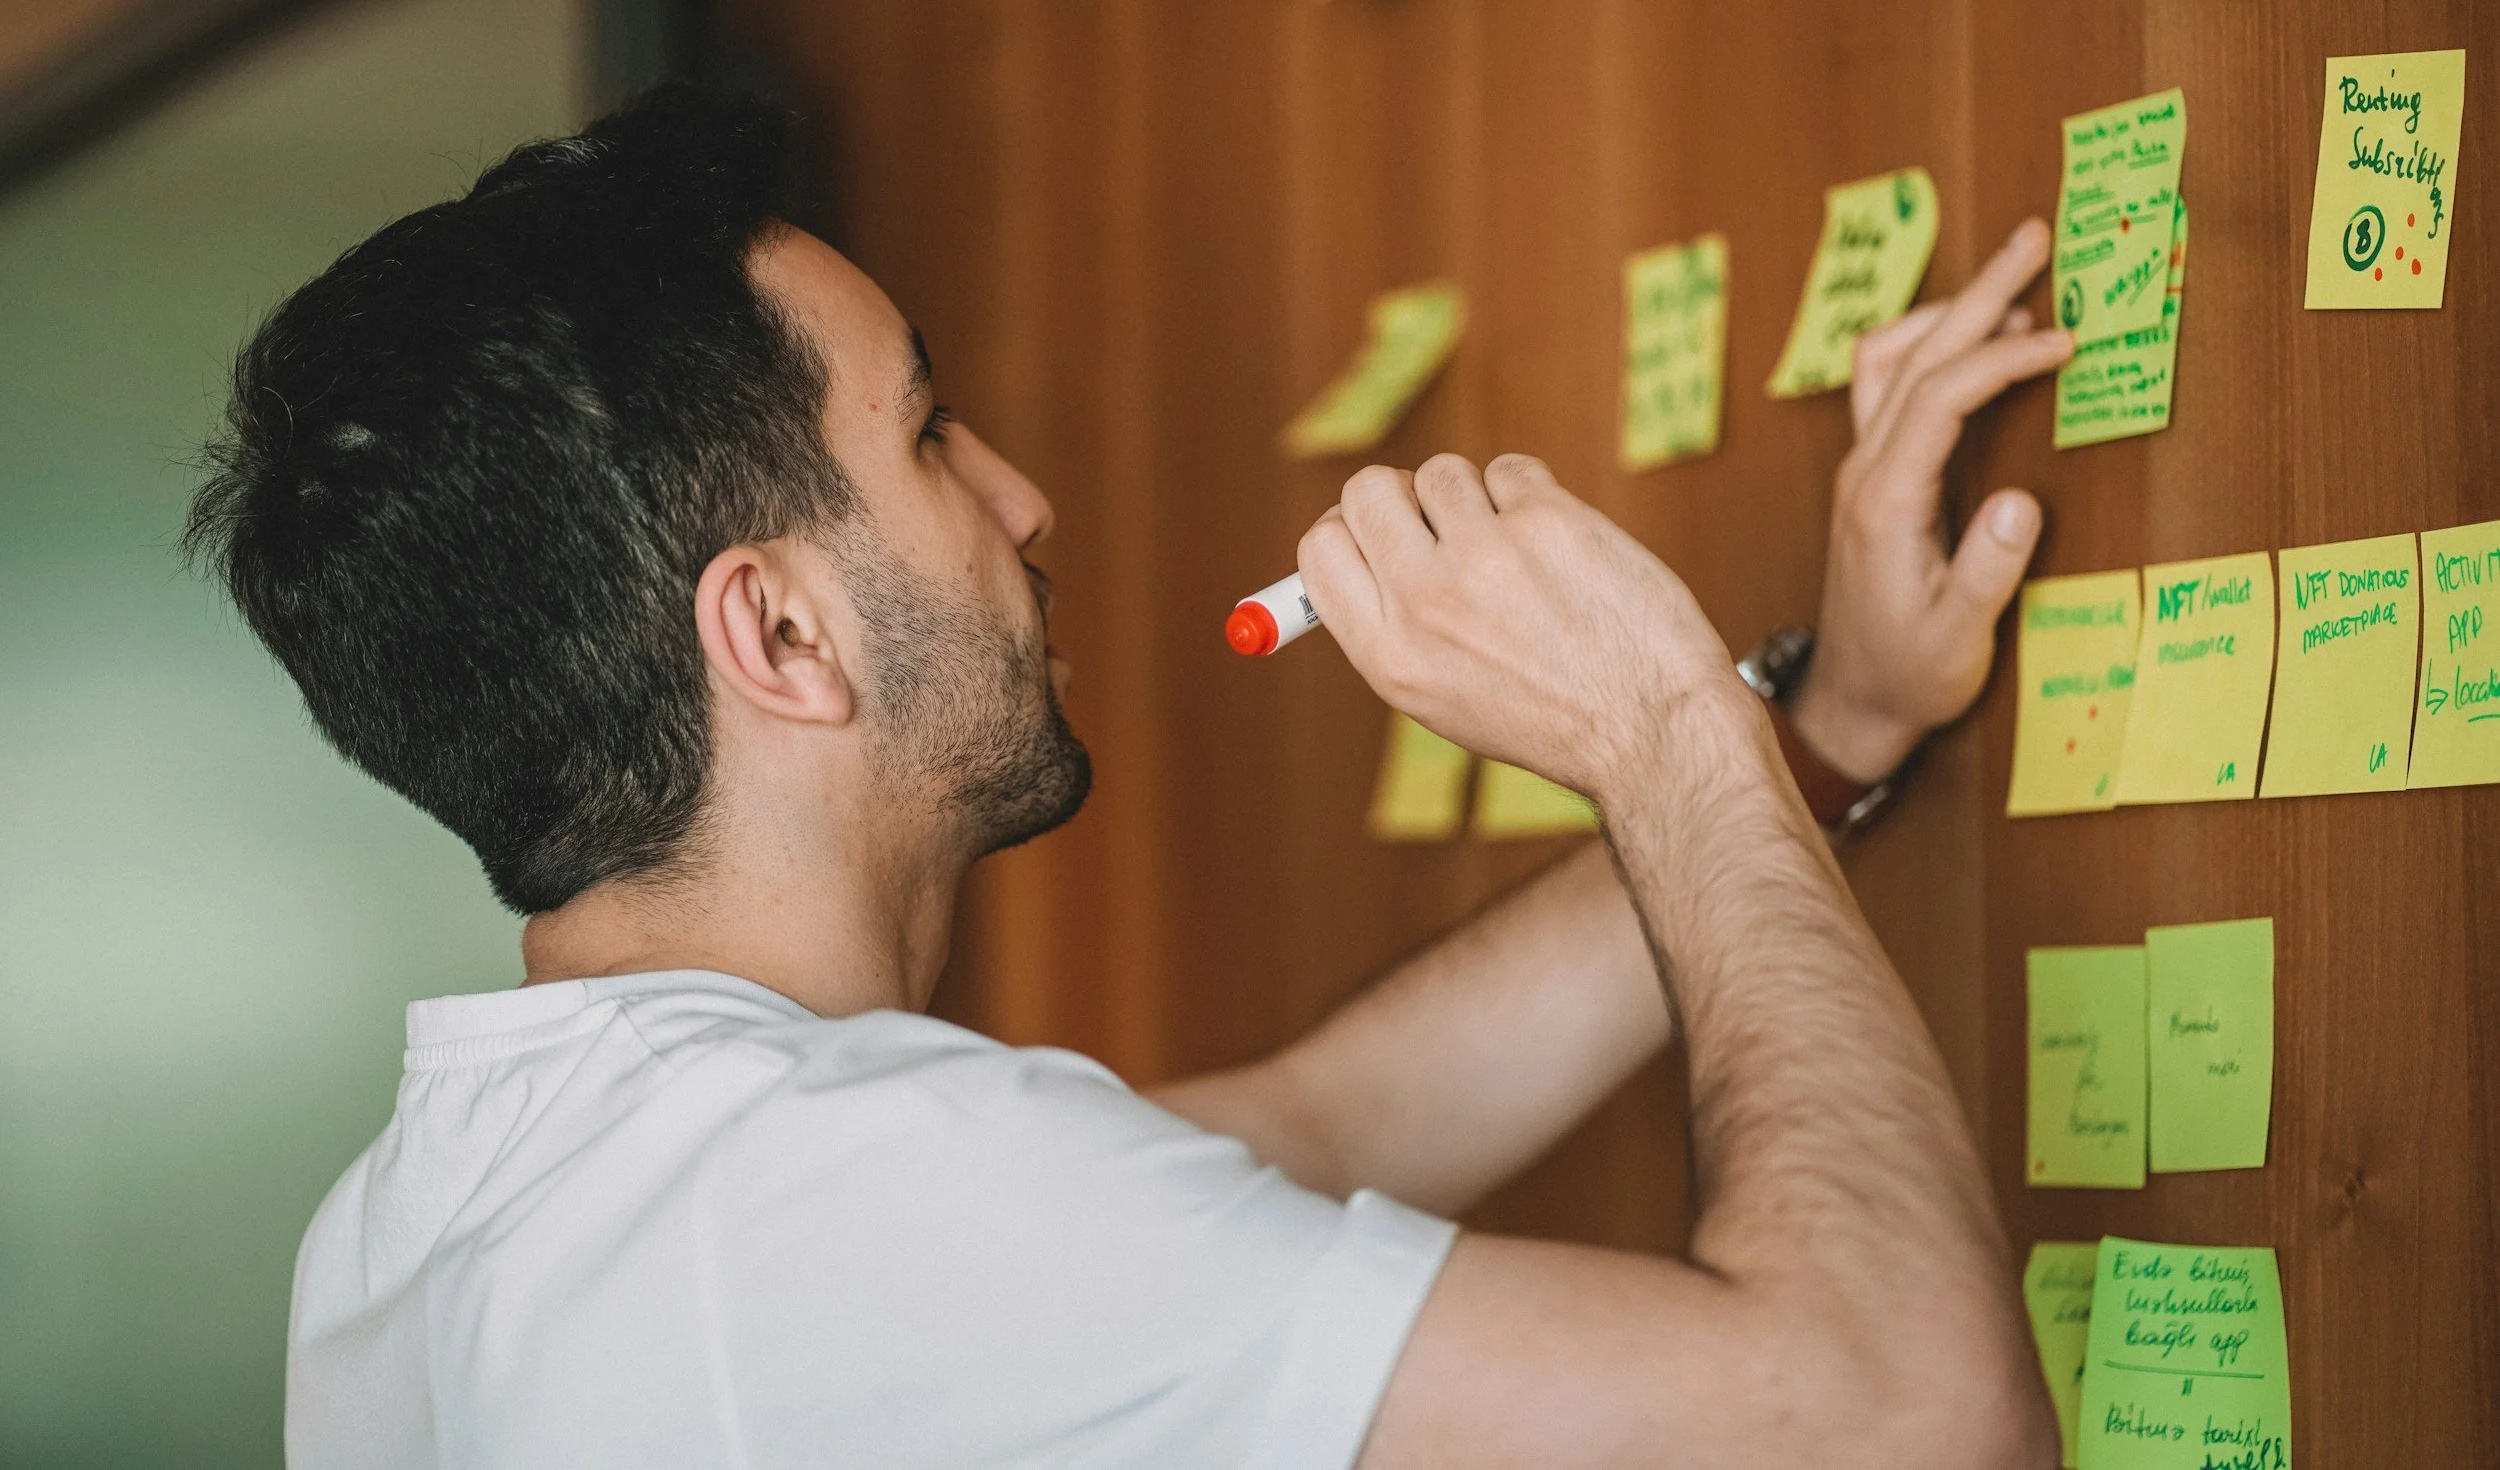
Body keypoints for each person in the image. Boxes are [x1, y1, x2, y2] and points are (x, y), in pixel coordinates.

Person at [187, 86, 2072, 1469]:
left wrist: (1815, 735)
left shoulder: (440, 1212)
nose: (1023, 501)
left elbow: (1330, 1118)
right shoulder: (833, 1204)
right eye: (929, 433)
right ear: (777, 637)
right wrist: (1657, 718)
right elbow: (1909, 1415)